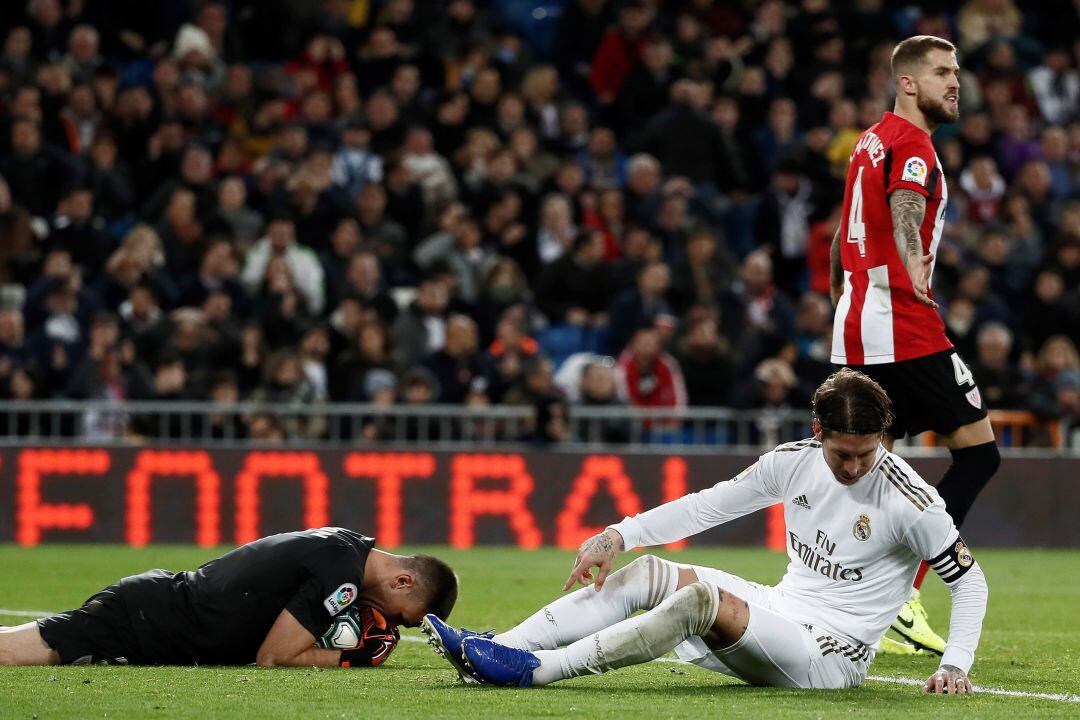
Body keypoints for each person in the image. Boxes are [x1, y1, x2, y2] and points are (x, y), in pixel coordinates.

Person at [423, 369, 987, 694]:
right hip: (784, 609)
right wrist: (619, 534)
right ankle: (499, 647)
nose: (855, 467)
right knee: (647, 572)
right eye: (843, 453)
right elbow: (708, 507)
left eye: (867, 454)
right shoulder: (793, 461)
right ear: (819, 433)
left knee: (702, 599)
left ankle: (537, 671)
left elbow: (970, 584)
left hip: (832, 653)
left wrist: (953, 665)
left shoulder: (913, 500)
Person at [828, 35, 1000, 655]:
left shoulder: (867, 141)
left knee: (871, 472)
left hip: (856, 323)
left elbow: (838, 236)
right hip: (903, 326)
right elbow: (906, 205)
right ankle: (904, 592)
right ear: (907, 82)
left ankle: (847, 598)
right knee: (979, 455)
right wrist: (914, 269)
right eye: (942, 72)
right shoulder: (911, 142)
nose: (956, 83)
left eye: (956, 72)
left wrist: (840, 299)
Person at [0, 527, 457, 668]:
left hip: (158, 616)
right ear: (403, 583)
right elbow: (273, 657)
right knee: (11, 652)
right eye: (405, 618)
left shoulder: (348, 548)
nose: (392, 625)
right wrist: (347, 659)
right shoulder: (343, 573)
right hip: (148, 620)